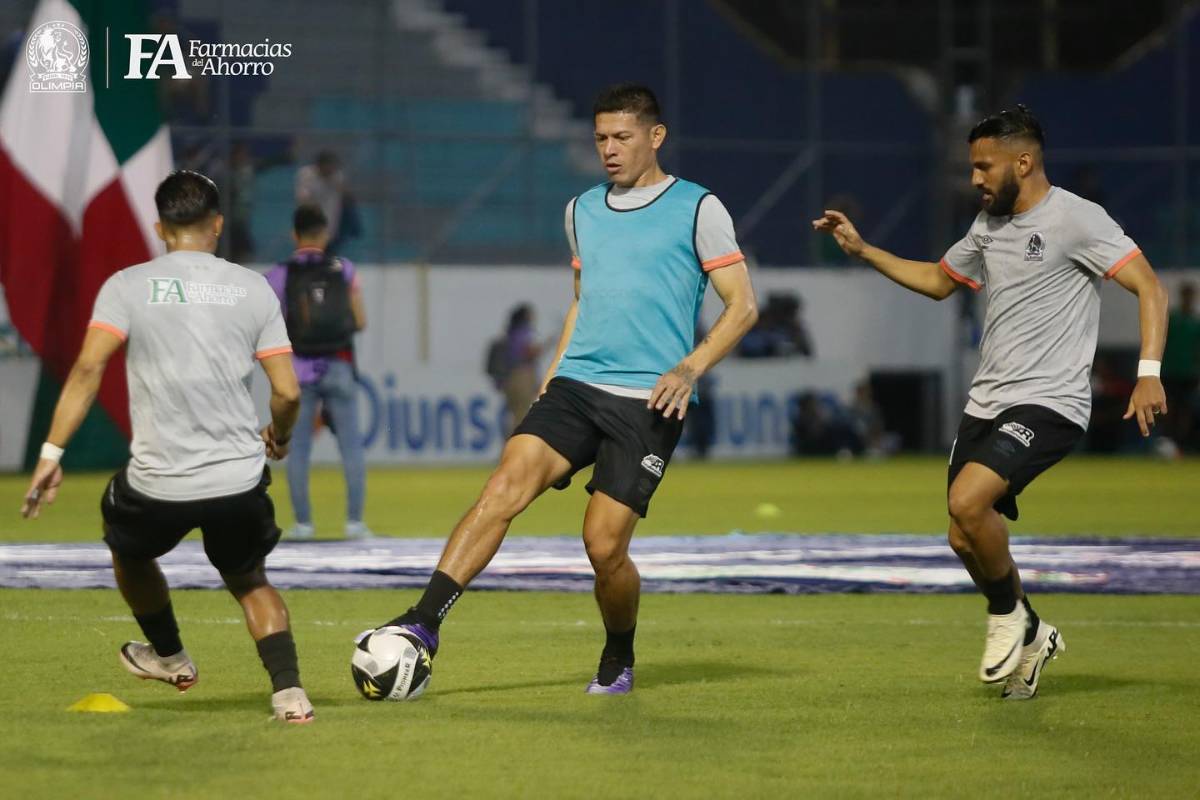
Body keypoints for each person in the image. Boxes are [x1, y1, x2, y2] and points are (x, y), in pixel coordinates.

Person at [361, 83, 758, 694]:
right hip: (576, 386)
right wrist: (550, 382)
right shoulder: (581, 211)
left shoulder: (699, 208)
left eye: (622, 137)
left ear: (656, 136)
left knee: (603, 548)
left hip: (649, 400)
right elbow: (582, 303)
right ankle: (423, 624)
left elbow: (742, 307)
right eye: (600, 137)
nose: (609, 149)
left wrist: (689, 369)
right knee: (502, 487)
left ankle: (619, 652)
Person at [813, 105, 1168, 699]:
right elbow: (936, 281)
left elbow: (1149, 285)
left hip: (1049, 402)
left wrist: (1148, 373)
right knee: (962, 532)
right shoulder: (987, 226)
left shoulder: (1078, 219)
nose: (974, 178)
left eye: (983, 166)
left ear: (1022, 162)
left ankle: (1009, 617)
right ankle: (1032, 636)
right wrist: (864, 250)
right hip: (986, 403)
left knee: (968, 500)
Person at [19, 171, 314, 723]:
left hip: (160, 480)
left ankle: (171, 655)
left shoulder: (127, 285)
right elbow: (287, 391)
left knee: (129, 550)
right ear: (218, 225)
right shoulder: (251, 288)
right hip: (237, 478)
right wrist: (282, 432)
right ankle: (290, 695)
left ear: (159, 228)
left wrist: (51, 454)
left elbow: (88, 368)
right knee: (250, 580)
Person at [265, 205, 371, 540]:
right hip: (339, 363)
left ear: (294, 235)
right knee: (351, 447)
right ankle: (354, 523)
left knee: (298, 448)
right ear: (324, 234)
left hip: (299, 369)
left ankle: (304, 525)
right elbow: (361, 321)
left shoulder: (280, 274)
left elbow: (273, 323)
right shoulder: (345, 269)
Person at [1162, 282, 1199, 450]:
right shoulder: (1172, 319)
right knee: (1168, 407)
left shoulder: (1195, 322)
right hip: (1169, 371)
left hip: (1188, 373)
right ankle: (1166, 440)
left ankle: (1181, 443)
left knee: (1185, 410)